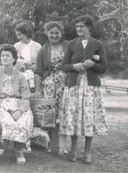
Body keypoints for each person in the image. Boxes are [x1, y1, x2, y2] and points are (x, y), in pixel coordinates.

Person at [60, 15, 107, 164]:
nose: (79, 29)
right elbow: (64, 66)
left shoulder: (98, 45)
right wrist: (74, 66)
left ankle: (87, 152)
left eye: (82, 26)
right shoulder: (71, 44)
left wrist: (93, 65)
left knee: (88, 118)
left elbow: (103, 68)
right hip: (74, 86)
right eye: (77, 26)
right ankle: (73, 150)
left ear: (89, 28)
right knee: (74, 118)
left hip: (90, 88)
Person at [0, 44, 34, 164]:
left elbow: (26, 96)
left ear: (13, 58)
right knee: (8, 121)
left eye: (8, 55)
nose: (5, 58)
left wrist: (20, 110)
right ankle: (7, 145)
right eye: (2, 55)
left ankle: (19, 150)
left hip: (18, 104)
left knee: (25, 120)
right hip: (1, 104)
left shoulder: (20, 76)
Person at [34, 21, 68, 152]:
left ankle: (62, 145)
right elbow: (38, 71)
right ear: (47, 33)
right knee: (50, 113)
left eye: (57, 33)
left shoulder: (68, 46)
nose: (54, 35)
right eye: (51, 33)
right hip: (49, 85)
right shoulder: (43, 49)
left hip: (65, 84)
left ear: (61, 33)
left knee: (64, 113)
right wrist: (37, 90)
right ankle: (49, 144)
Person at [14, 23, 42, 88]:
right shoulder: (16, 46)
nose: (18, 37)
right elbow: (14, 61)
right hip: (20, 72)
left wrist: (32, 67)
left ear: (26, 33)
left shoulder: (37, 46)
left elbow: (41, 63)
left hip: (34, 73)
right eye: (17, 35)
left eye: (19, 34)